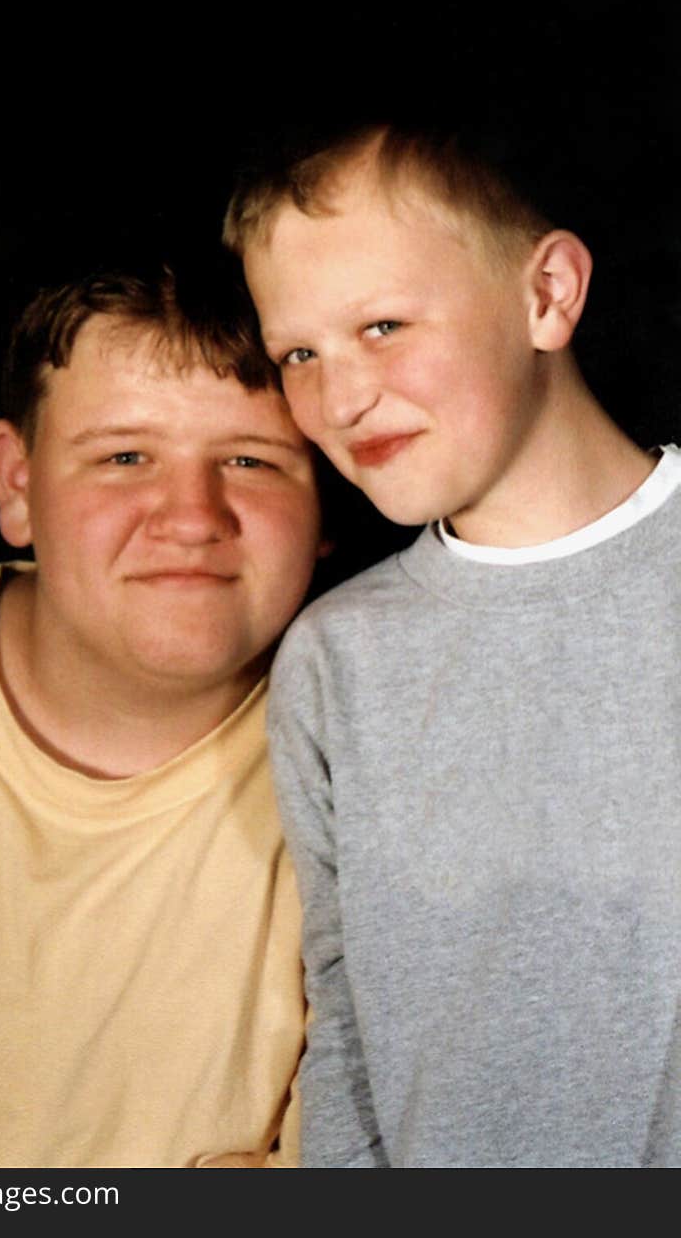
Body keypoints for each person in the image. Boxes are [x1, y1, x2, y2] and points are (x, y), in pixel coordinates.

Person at [0, 263, 328, 1169]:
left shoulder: (368, 769)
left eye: (250, 460)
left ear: (328, 499)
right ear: (16, 483)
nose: (193, 517)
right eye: (125, 458)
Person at [225, 123, 681, 1168]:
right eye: (298, 353)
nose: (338, 399)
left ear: (548, 295)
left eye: (381, 325)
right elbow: (343, 1008)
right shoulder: (334, 662)